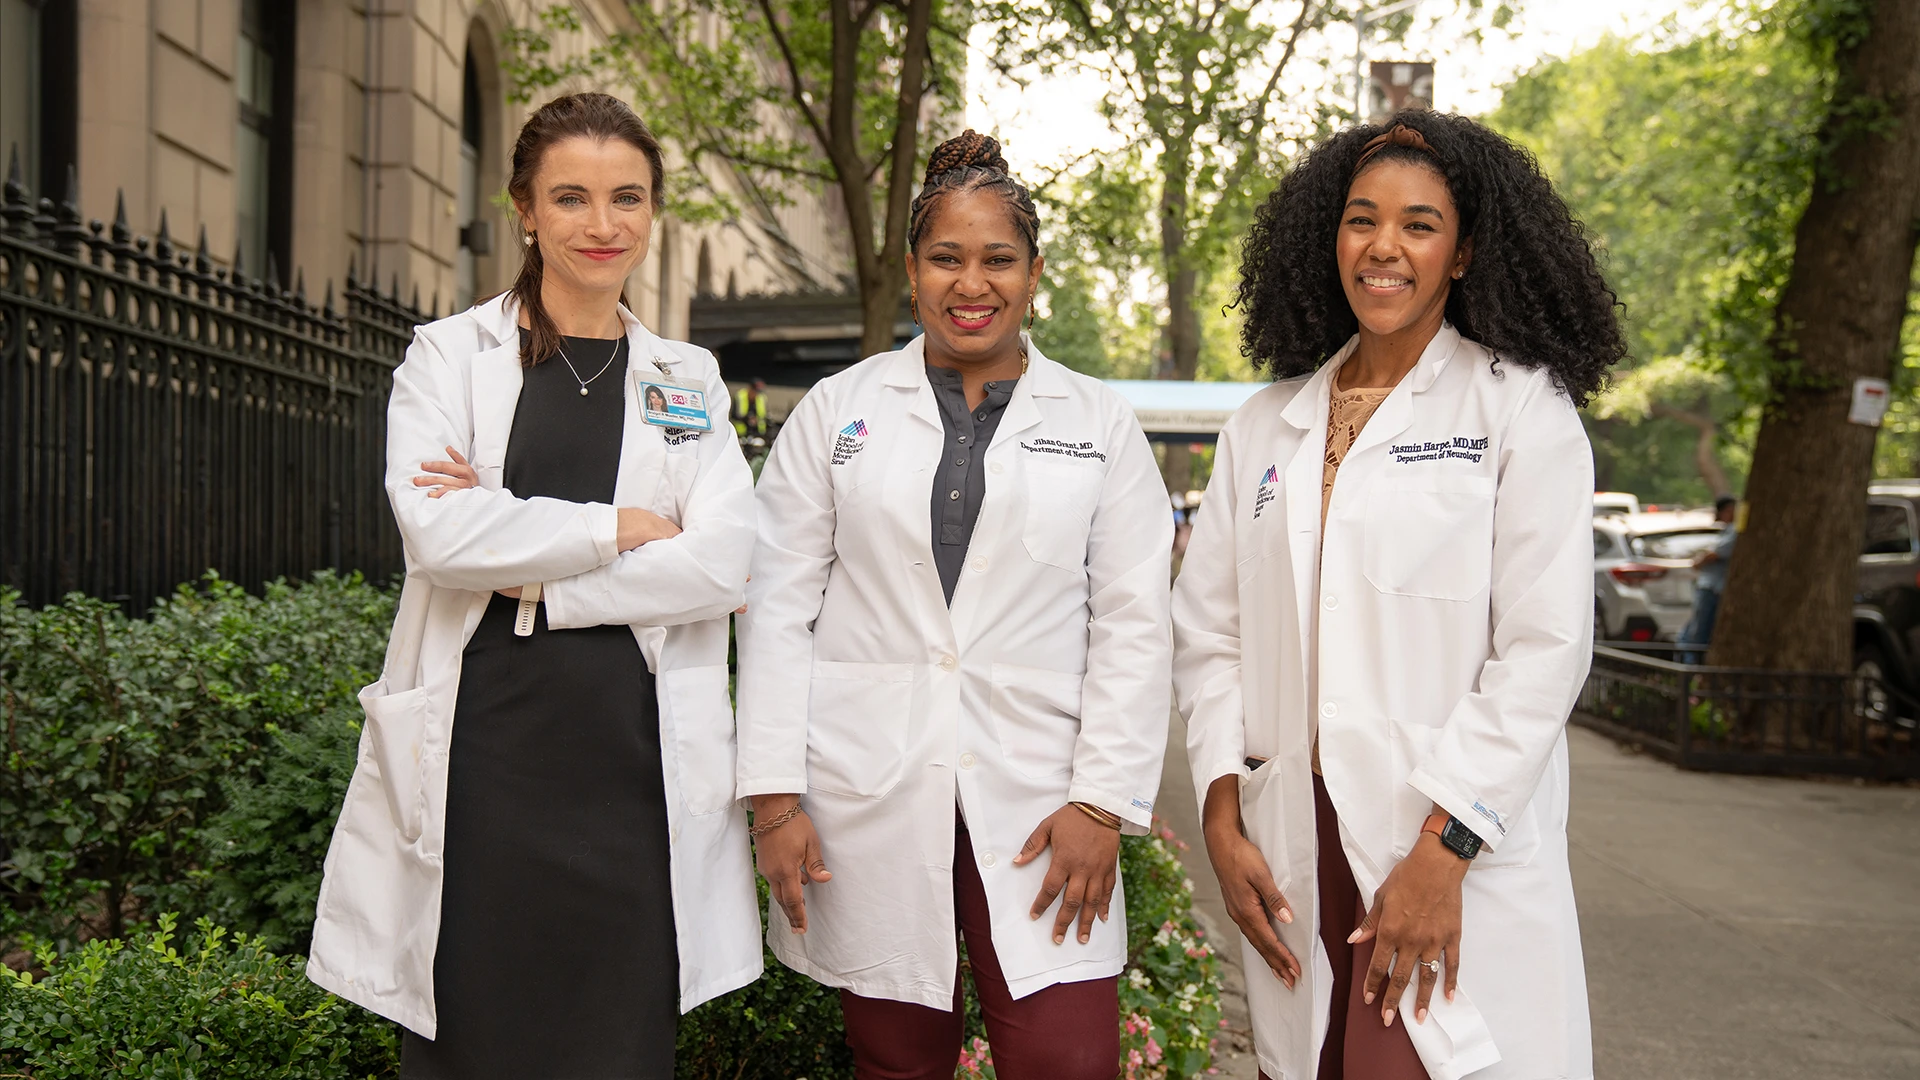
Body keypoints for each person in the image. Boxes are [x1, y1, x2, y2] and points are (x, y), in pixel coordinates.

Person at [307, 92, 762, 1078]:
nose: (602, 225)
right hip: (487, 759)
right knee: (473, 1031)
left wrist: (545, 580)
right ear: (525, 208)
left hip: (635, 766)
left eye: (627, 198)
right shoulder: (448, 359)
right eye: (571, 197)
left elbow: (727, 559)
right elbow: (440, 534)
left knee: (618, 1041)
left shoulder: (684, 379)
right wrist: (619, 528)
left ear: (653, 211)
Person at [1173, 111, 1624, 1080]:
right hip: (1300, 843)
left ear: (1463, 252)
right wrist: (1220, 808)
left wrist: (1446, 847)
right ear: (1326, 238)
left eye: (1420, 225)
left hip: (1443, 851)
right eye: (1361, 219)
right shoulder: (1265, 426)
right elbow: (1209, 631)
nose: (1385, 247)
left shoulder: (1518, 411)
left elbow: (1546, 650)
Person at [735, 131, 1172, 1080]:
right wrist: (774, 800)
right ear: (912, 270)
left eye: (997, 259)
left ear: (1033, 272)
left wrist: (1102, 801)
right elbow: (775, 607)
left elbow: (1136, 624)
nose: (971, 283)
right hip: (871, 785)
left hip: (1043, 793)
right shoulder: (837, 412)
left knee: (1070, 1062)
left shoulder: (1099, 423)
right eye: (946, 258)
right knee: (896, 1062)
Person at [1678, 495, 1739, 663]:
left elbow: (1714, 554)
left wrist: (1699, 561)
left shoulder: (1734, 531)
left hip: (1713, 588)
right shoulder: (1727, 531)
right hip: (1710, 586)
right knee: (1691, 633)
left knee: (1698, 633)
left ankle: (1691, 670)